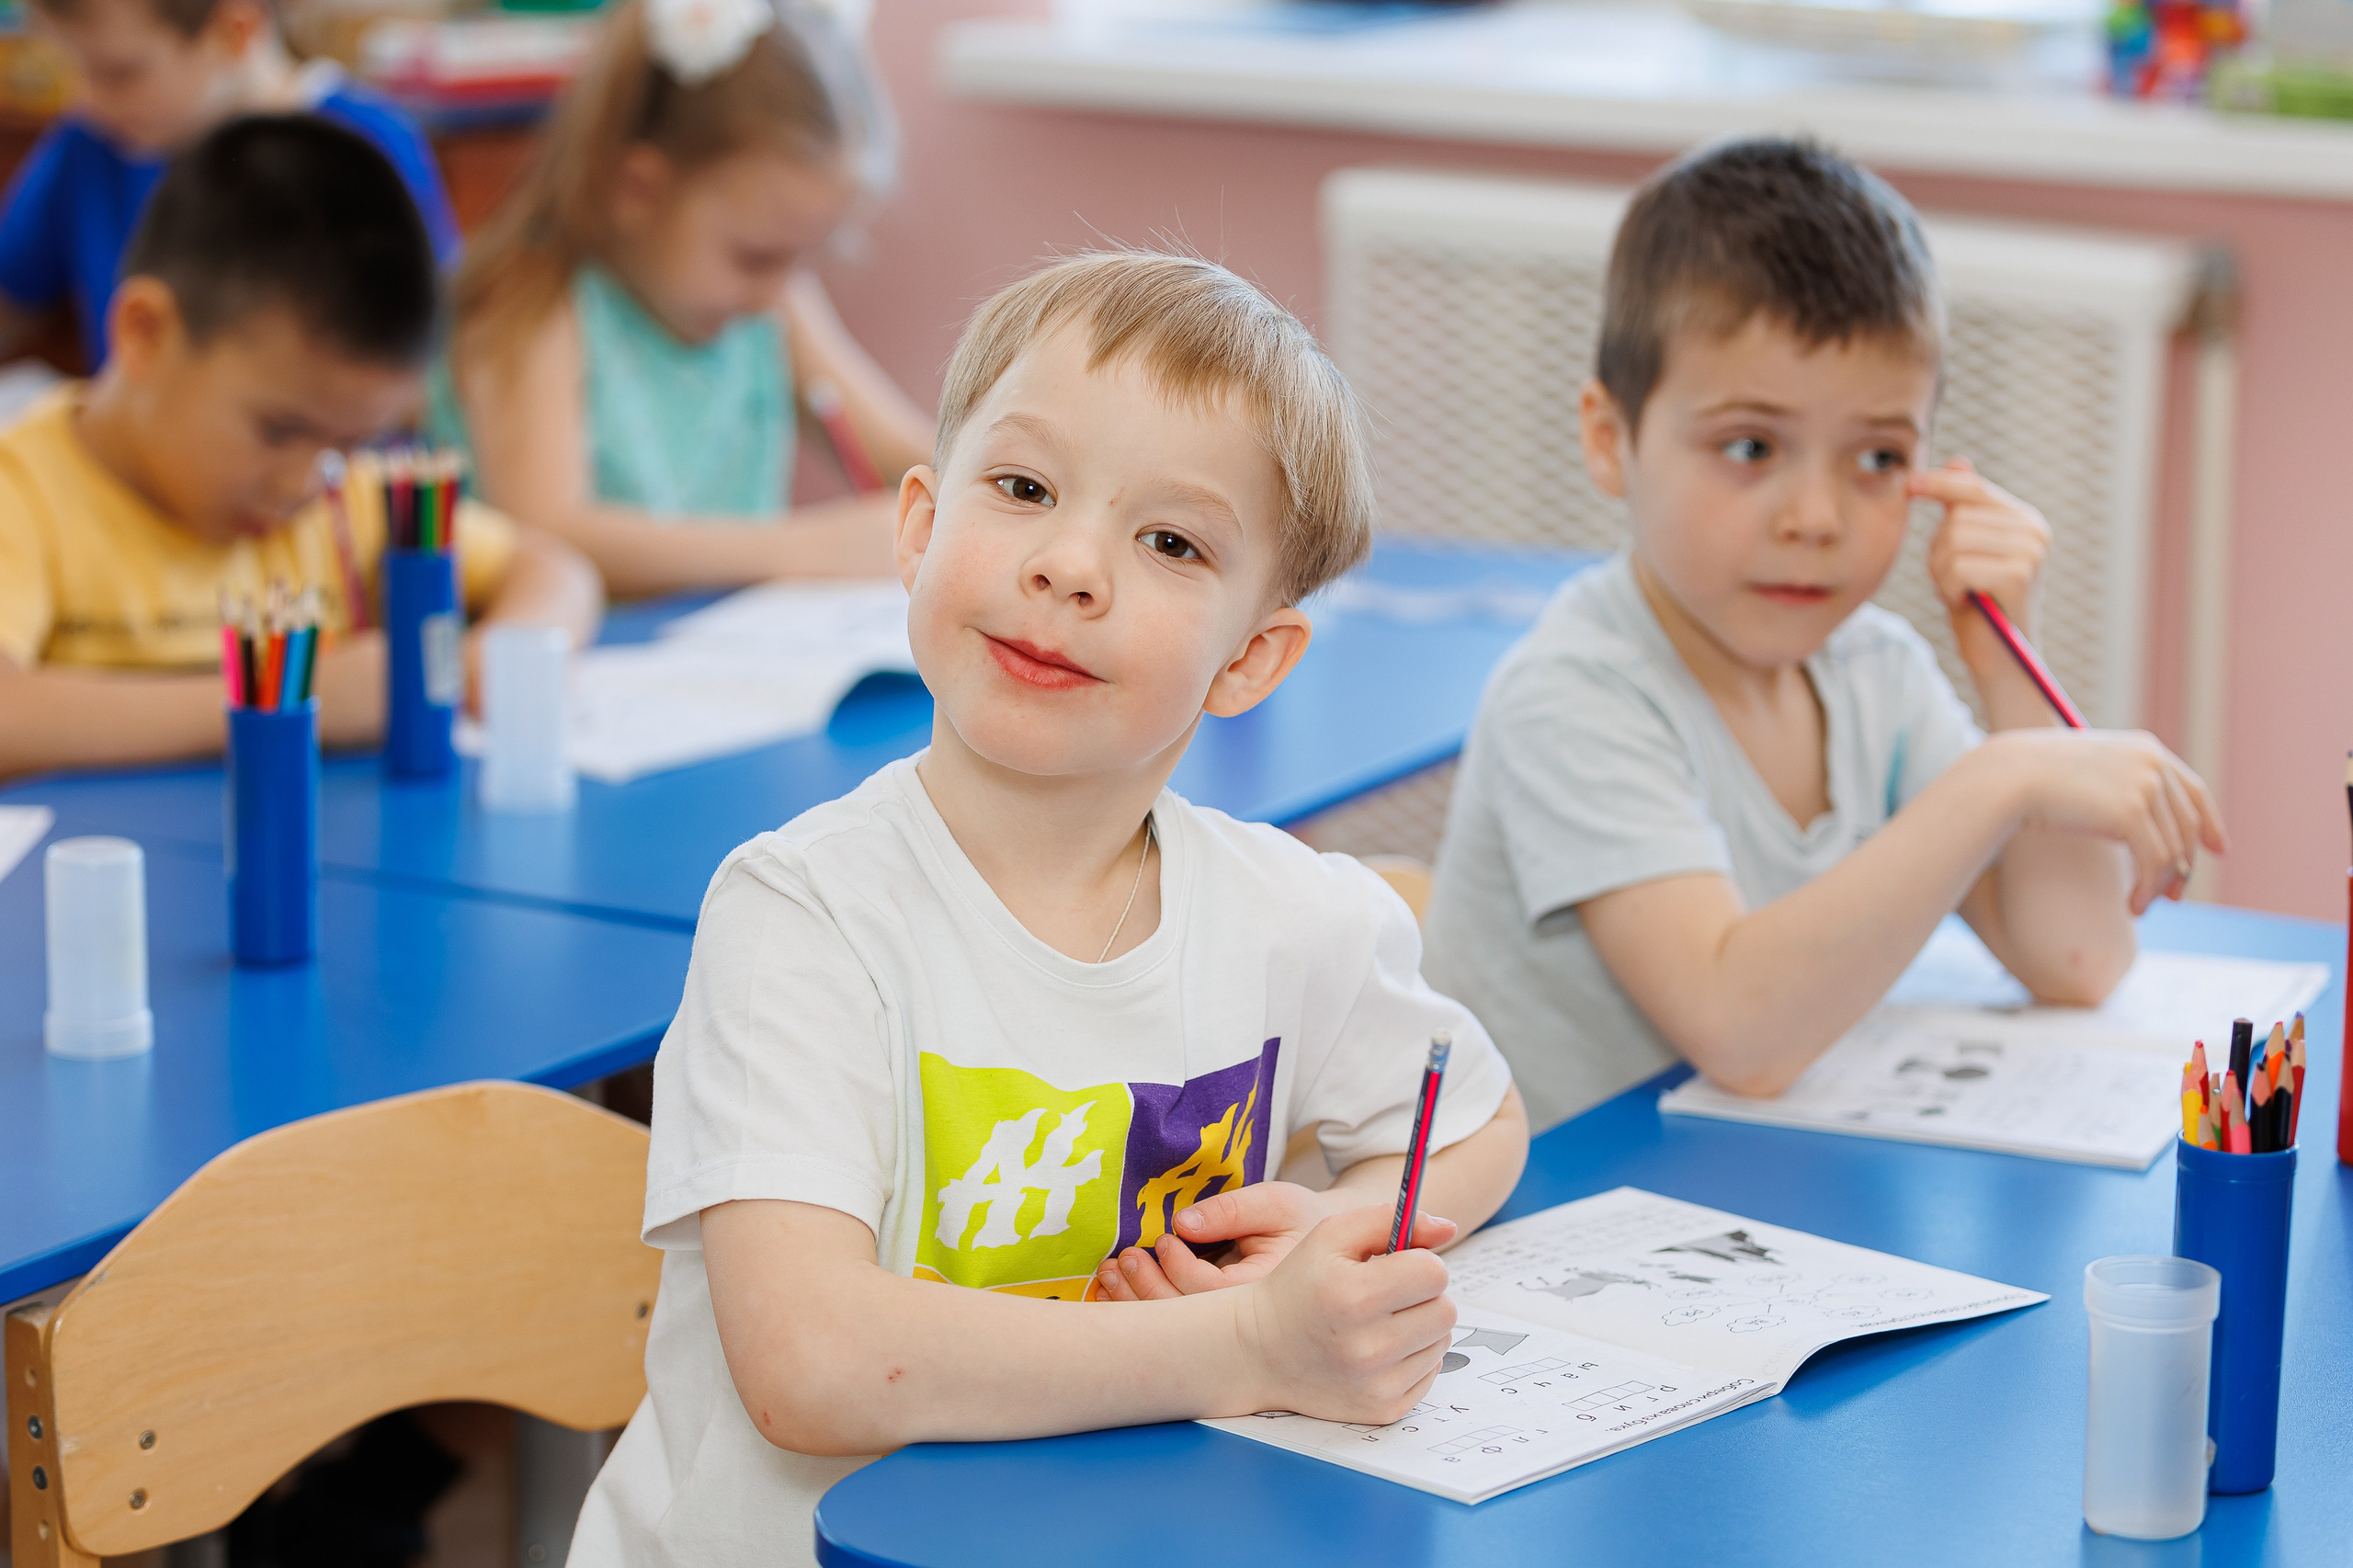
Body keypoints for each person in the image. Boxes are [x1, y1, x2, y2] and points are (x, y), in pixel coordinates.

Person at [567, 252, 1530, 1566]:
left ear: (1251, 657)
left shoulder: (1291, 915)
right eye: (1023, 488)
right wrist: (1248, 1342)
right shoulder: (800, 916)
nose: (1071, 565)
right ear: (917, 527)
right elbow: (814, 1362)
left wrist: (1340, 1221)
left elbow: (1478, 1118)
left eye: (1172, 542)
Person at [1421, 138, 2227, 1131]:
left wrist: (2008, 661)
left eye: (1876, 456)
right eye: (1750, 446)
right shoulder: (1573, 689)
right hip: (1533, 1232)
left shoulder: (1873, 669)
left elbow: (2077, 958)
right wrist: (2004, 773)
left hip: (1732, 1209)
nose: (1817, 516)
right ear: (1608, 438)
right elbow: (1742, 1033)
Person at [0, 114, 598, 779]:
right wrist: (289, 700)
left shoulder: (345, 493)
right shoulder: (23, 493)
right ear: (145, 334)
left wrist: (498, 655)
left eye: (351, 441)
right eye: (279, 430)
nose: (307, 479)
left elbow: (556, 572)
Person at [432, 0, 931, 597]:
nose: (777, 292)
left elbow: (900, 453)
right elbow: (549, 529)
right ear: (638, 189)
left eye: (806, 259)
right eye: (757, 256)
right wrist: (810, 547)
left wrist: (996, 488)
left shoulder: (773, 300)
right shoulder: (535, 304)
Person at [0, 0, 459, 373]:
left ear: (233, 30)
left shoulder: (369, 146)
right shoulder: (93, 141)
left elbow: (430, 363)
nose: (86, 99)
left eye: (119, 73)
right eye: (69, 69)